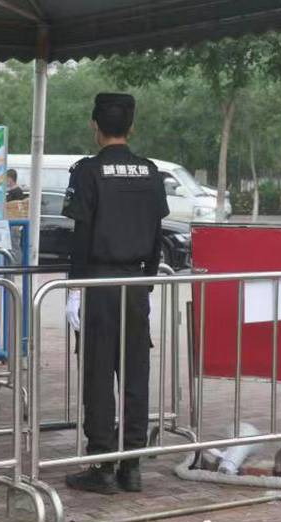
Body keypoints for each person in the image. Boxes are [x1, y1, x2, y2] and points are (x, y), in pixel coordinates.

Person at [62, 93, 169, 495]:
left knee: (98, 372)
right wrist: (148, 281)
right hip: (136, 283)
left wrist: (75, 288)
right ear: (131, 127)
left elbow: (81, 236)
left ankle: (102, 465)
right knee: (135, 373)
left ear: (95, 125)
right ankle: (132, 465)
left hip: (99, 283)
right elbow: (157, 235)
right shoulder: (150, 172)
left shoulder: (88, 172)